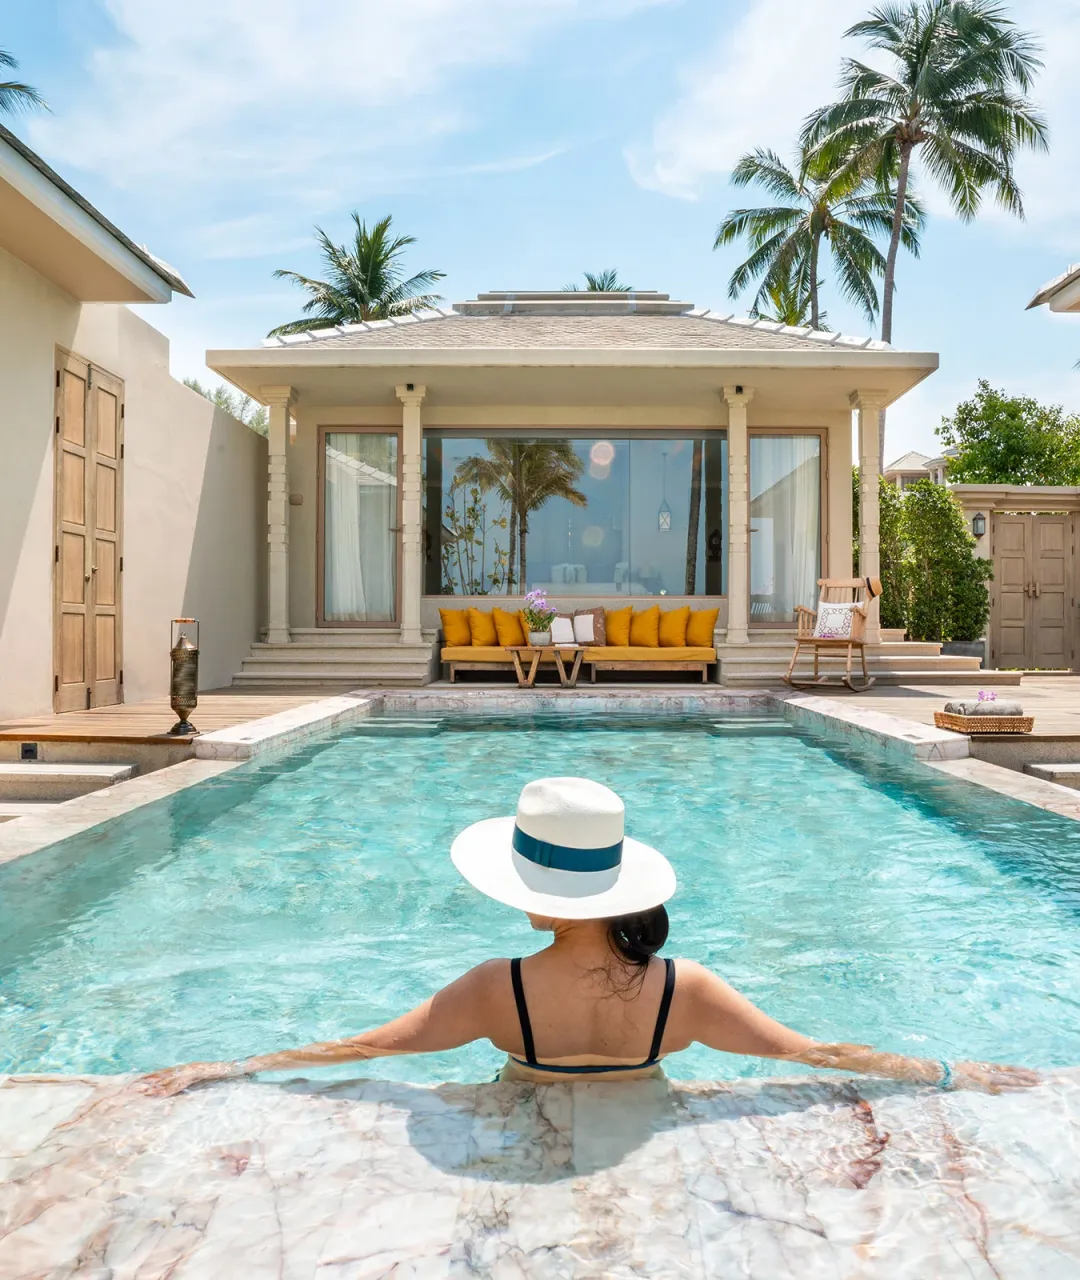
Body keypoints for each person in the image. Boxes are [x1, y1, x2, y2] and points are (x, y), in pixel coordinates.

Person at [138, 777, 1039, 1098]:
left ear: (542, 897)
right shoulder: (687, 989)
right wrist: (951, 1074)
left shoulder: (499, 988)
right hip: (642, 1103)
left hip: (525, 1105)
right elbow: (809, 1052)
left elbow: (370, 1046)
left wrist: (235, 1068)